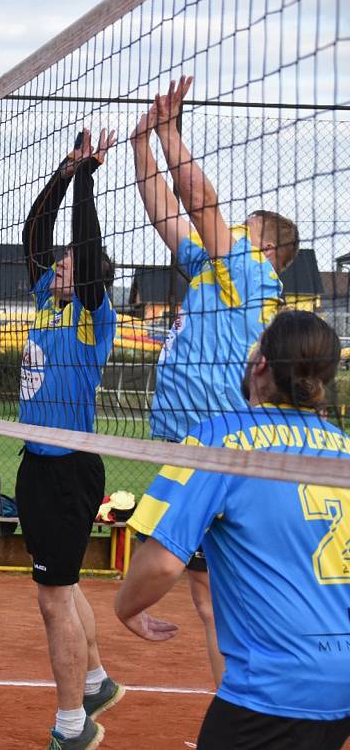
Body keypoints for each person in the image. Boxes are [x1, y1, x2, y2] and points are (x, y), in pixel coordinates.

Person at [131, 75, 300, 687]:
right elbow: (168, 215)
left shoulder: (252, 275)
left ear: (267, 246)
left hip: (211, 441)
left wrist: (171, 132)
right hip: (186, 439)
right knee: (209, 601)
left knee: (213, 588)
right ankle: (239, 707)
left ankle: (267, 698)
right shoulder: (215, 269)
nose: (229, 229)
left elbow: (200, 199)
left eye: (244, 225)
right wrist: (140, 145)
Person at [115, 309, 350, 750]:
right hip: (342, 685)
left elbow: (163, 563)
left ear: (260, 365)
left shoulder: (221, 440)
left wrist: (126, 607)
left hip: (274, 688)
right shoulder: (344, 448)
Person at [17, 127, 123, 750]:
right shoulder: (46, 297)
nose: (58, 263)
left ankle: (72, 726)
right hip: (38, 463)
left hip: (68, 470)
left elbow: (84, 242)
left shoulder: (90, 308)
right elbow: (37, 233)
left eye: (68, 263)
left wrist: (88, 178)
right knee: (63, 585)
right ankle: (98, 680)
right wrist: (61, 174)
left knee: (52, 600)